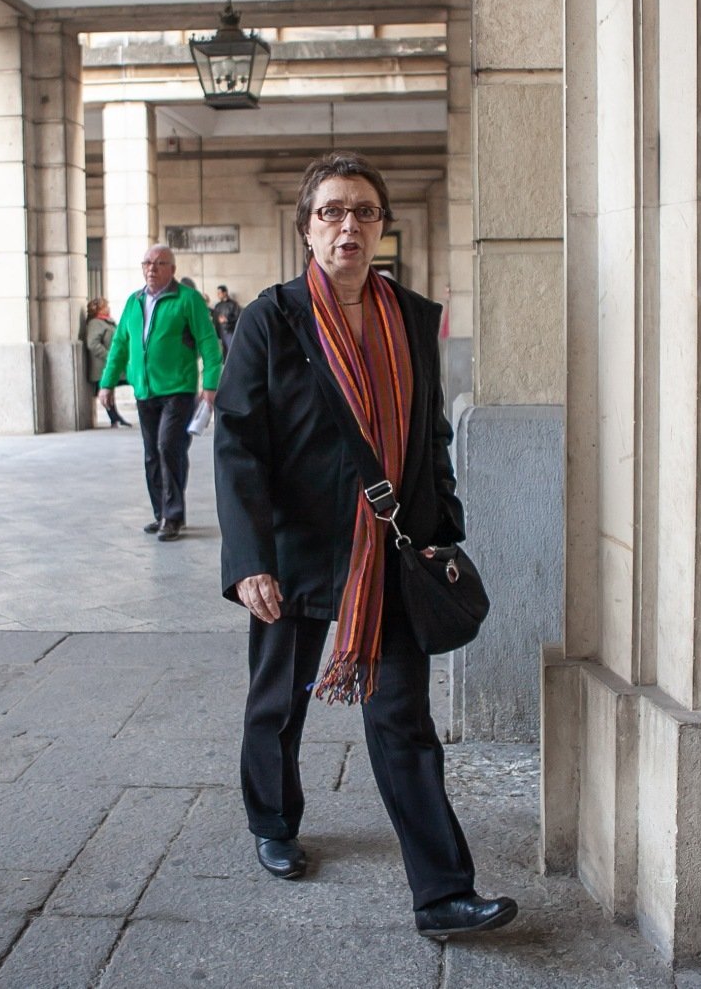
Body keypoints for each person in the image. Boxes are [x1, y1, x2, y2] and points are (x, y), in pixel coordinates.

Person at [213, 151, 518, 938]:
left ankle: (444, 894)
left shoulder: (413, 317)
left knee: (403, 719)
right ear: (307, 227)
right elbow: (239, 443)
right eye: (332, 211)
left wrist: (440, 531)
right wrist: (248, 558)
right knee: (277, 702)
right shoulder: (272, 318)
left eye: (364, 212)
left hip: (387, 554)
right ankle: (274, 821)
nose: (348, 224)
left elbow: (430, 433)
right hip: (296, 550)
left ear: (382, 226)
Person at [98, 245, 223, 541]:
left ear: (172, 269)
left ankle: (174, 515)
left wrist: (210, 385)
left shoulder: (187, 299)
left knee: (169, 447)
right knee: (152, 453)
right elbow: (119, 346)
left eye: (159, 263)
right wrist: (107, 383)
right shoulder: (134, 302)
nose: (151, 268)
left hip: (178, 389)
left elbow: (209, 343)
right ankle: (161, 513)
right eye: (147, 263)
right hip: (145, 390)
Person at [81, 297, 131, 427]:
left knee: (112, 389)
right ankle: (115, 418)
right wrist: (109, 356)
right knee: (108, 389)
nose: (108, 308)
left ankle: (115, 418)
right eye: (105, 306)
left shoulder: (107, 322)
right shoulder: (96, 323)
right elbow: (92, 343)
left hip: (112, 363)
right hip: (102, 365)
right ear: (99, 309)